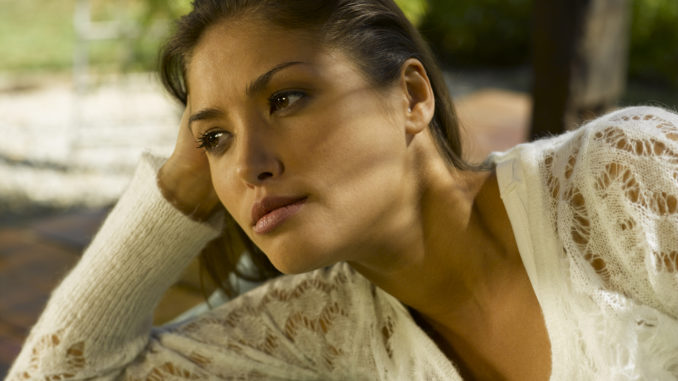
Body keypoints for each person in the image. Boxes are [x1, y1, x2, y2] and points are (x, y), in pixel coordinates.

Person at [7, 0, 678, 380]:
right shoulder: (316, 326)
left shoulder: (620, 180)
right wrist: (180, 181)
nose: (250, 165)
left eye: (287, 98)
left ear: (410, 97)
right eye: (215, 140)